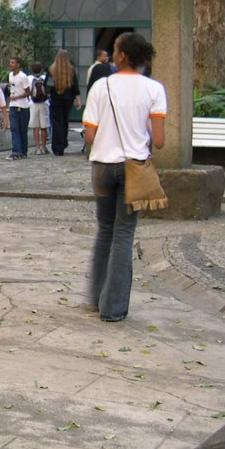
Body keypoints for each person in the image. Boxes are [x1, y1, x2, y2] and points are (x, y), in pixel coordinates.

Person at [82, 33, 166, 323]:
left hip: (103, 166)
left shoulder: (100, 86)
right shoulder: (154, 89)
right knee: (123, 234)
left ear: (120, 56)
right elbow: (159, 140)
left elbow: (90, 135)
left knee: (104, 230)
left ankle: (95, 297)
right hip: (135, 168)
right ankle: (113, 307)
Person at [47, 50, 82, 156]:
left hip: (56, 98)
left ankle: (57, 147)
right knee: (65, 121)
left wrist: (48, 94)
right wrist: (78, 99)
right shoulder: (71, 70)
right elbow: (75, 85)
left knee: (57, 122)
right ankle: (63, 143)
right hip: (68, 98)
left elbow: (48, 85)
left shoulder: (51, 70)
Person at [6, 57, 31, 159]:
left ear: (18, 64)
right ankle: (16, 151)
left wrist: (18, 97)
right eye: (10, 62)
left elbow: (28, 91)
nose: (10, 64)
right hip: (13, 105)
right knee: (14, 129)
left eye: (13, 63)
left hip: (23, 106)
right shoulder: (10, 75)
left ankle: (23, 151)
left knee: (22, 130)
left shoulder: (23, 77)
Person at [29, 62, 50, 155]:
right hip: (44, 103)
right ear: (41, 69)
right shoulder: (45, 78)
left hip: (33, 104)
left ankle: (37, 148)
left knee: (35, 126)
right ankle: (44, 147)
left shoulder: (29, 78)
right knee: (44, 126)